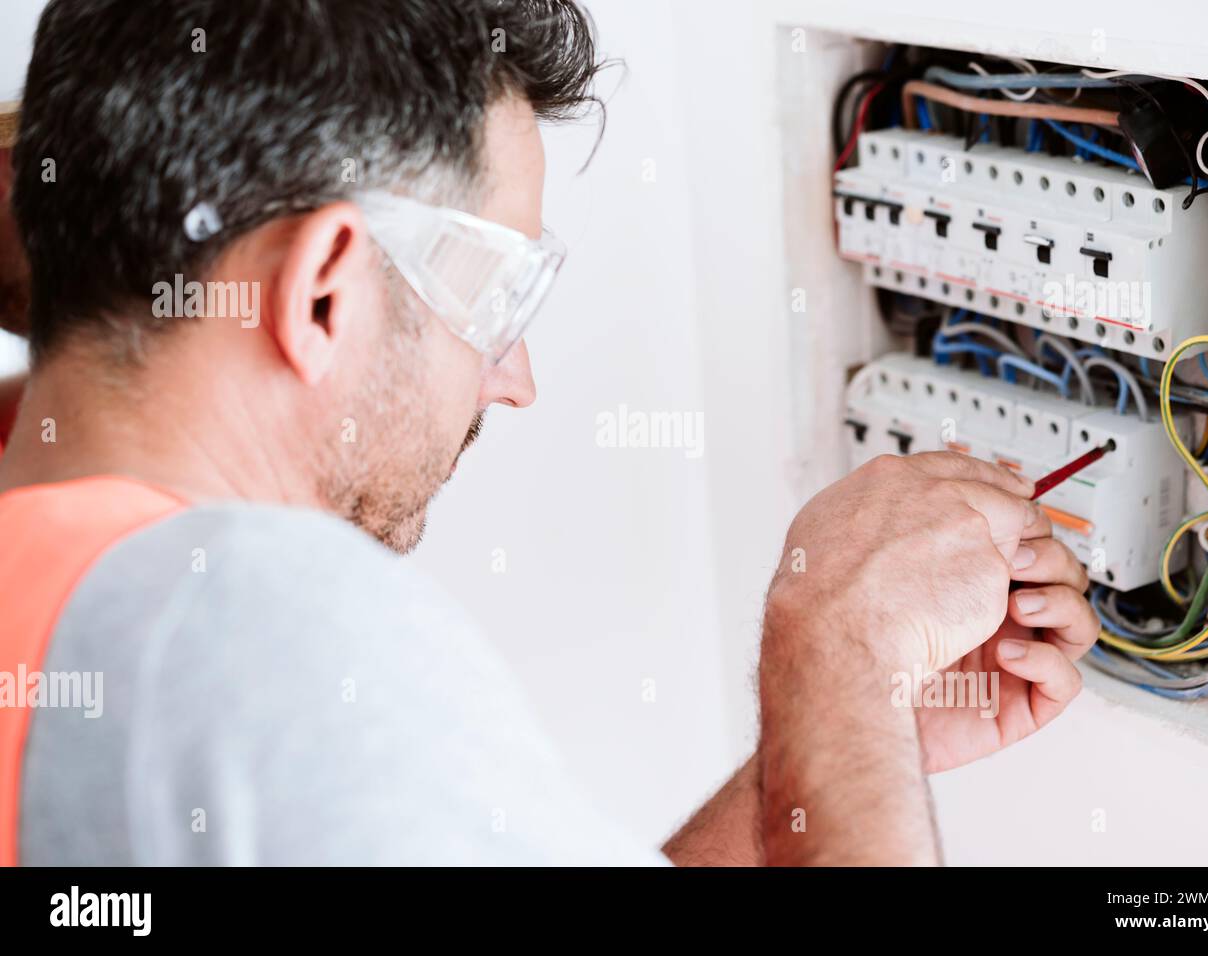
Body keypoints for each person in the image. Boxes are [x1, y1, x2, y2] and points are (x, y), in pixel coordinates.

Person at [0, 0, 1097, 866]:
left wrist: (843, 754)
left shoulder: (70, 594)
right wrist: (839, 648)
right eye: (496, 293)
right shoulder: (245, 620)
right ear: (324, 291)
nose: (514, 378)